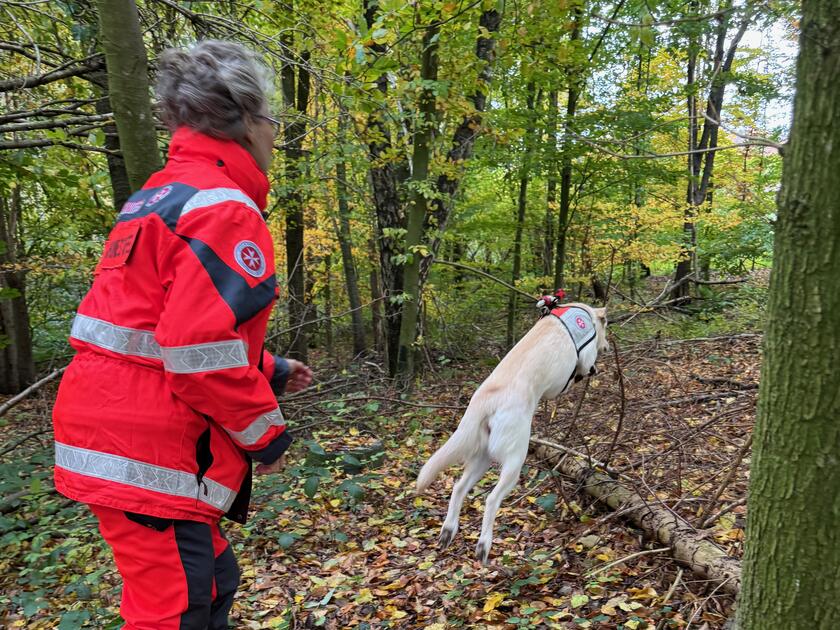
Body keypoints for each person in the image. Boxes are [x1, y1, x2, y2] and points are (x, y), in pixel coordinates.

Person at [52, 40, 312, 629]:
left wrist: (267, 368)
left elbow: (150, 324)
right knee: (177, 610)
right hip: (150, 447)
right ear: (245, 120)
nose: (274, 134)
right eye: (271, 119)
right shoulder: (224, 209)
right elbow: (194, 351)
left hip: (113, 429)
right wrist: (265, 435)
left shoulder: (156, 197)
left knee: (213, 578)